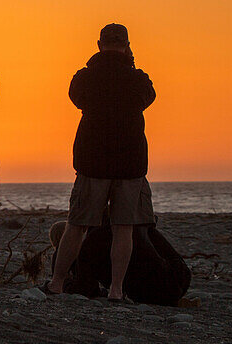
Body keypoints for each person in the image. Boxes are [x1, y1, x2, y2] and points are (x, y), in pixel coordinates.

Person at [47, 23, 156, 301]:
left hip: (93, 161)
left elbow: (76, 97)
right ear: (127, 45)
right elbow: (148, 97)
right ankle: (117, 289)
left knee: (77, 224)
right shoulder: (137, 79)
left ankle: (57, 282)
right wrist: (130, 64)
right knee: (123, 228)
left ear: (99, 44)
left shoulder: (85, 78)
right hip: (129, 163)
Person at [48, 219, 191, 306]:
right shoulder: (130, 224)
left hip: (148, 293)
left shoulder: (89, 246)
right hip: (181, 277)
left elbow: (85, 289)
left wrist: (64, 280)